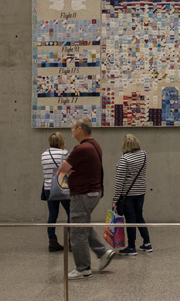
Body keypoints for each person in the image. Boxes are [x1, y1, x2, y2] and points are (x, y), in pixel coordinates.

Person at [59, 117, 115, 279]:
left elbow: (63, 167)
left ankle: (83, 268)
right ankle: (103, 252)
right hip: (93, 192)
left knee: (77, 231)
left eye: (73, 128)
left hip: (82, 194)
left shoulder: (81, 148)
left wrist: (68, 170)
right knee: (83, 225)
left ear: (80, 129)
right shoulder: (95, 145)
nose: (71, 131)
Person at [112, 134, 152, 255]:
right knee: (139, 217)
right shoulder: (144, 155)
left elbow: (119, 181)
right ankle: (147, 243)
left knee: (130, 219)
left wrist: (115, 199)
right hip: (141, 192)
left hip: (128, 194)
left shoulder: (125, 159)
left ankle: (131, 247)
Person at [41, 132, 70, 252]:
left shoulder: (44, 155)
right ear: (61, 141)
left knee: (52, 215)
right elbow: (68, 169)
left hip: (48, 188)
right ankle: (72, 241)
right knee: (71, 213)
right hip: (62, 186)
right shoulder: (64, 153)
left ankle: (52, 241)